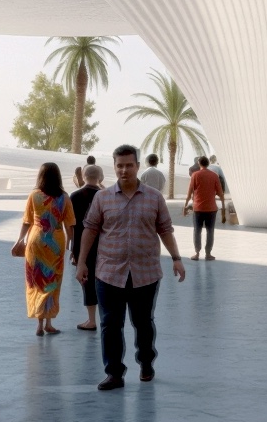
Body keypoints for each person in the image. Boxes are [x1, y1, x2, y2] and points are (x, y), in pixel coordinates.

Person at [76, 145, 185, 392]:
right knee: (110, 325)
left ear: (138, 166)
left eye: (129, 165)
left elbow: (165, 229)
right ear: (113, 168)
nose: (124, 170)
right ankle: (114, 373)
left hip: (145, 273)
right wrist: (82, 262)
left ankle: (146, 361)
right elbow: (90, 230)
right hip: (108, 273)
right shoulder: (101, 198)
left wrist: (176, 258)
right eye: (119, 165)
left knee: (143, 322)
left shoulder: (154, 197)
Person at [16, 162, 73, 337]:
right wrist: (71, 242)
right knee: (52, 280)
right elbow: (69, 224)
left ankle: (39, 324)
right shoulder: (64, 197)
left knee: (36, 280)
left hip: (36, 240)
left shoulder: (34, 196)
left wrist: (19, 240)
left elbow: (27, 221)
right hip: (56, 241)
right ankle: (48, 323)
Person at [70, 163, 103, 332]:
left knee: (86, 280)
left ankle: (91, 319)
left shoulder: (75, 196)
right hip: (103, 245)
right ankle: (105, 317)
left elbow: (71, 225)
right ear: (101, 177)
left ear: (82, 176)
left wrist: (72, 247)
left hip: (81, 245)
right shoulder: (105, 195)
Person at [187, 156, 223, 260]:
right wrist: (224, 207)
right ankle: (208, 254)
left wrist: (186, 205)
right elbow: (220, 193)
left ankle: (197, 253)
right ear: (208, 163)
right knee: (210, 231)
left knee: (197, 231)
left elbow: (190, 192)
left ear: (199, 163)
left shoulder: (195, 175)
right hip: (211, 208)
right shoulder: (214, 175)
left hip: (198, 208)